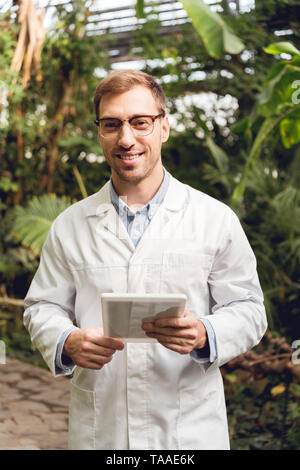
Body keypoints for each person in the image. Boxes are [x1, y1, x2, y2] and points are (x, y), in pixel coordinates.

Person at [23, 69, 267, 450]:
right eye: (111, 124)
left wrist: (205, 333)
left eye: (140, 122)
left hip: (188, 433)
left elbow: (249, 309)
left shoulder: (214, 219)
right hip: (103, 433)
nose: (126, 138)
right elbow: (42, 306)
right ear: (99, 131)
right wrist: (66, 339)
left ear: (163, 127)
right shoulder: (69, 225)